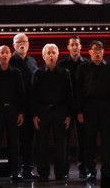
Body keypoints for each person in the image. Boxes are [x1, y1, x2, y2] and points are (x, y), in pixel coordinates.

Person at [76, 41, 110, 181]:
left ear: (103, 51)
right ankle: (91, 171)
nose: (97, 52)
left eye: (100, 50)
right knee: (89, 141)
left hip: (106, 108)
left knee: (108, 141)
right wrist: (79, 111)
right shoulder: (83, 68)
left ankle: (107, 170)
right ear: (89, 52)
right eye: (95, 50)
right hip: (89, 108)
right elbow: (79, 91)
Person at [31, 44, 74, 181]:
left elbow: (70, 95)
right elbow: (32, 95)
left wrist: (69, 115)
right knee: (42, 144)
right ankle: (43, 173)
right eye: (48, 53)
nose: (50, 55)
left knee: (61, 144)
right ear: (43, 56)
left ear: (57, 55)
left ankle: (60, 173)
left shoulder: (64, 72)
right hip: (42, 113)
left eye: (53, 52)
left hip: (60, 112)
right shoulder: (37, 73)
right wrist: (34, 115)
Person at [0, 45, 26, 182]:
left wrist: (21, 112)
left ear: (10, 55)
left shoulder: (16, 72)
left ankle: (15, 172)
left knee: (14, 142)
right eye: (1, 52)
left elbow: (21, 94)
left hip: (13, 111)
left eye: (6, 53)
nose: (4, 55)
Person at [58, 35, 89, 178]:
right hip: (66, 109)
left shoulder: (87, 64)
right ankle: (64, 170)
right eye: (72, 44)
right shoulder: (62, 64)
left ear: (81, 47)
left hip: (83, 108)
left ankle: (84, 169)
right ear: (68, 47)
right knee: (64, 140)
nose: (75, 47)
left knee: (84, 140)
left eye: (77, 44)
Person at [9, 33, 38, 179]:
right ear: (13, 45)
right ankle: (16, 170)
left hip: (30, 108)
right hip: (15, 108)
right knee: (16, 141)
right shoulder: (10, 61)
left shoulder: (32, 61)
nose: (22, 44)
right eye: (18, 41)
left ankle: (28, 169)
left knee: (29, 140)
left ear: (28, 44)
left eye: (24, 41)